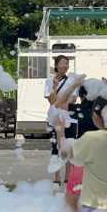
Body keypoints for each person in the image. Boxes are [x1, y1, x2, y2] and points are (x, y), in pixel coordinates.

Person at [64, 80, 102, 212]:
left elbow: (58, 104)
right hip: (99, 159)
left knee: (72, 195)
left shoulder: (76, 109)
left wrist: (73, 85)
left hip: (81, 157)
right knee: (97, 195)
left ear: (82, 96)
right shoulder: (102, 111)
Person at [44, 55, 80, 185]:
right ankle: (56, 176)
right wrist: (55, 87)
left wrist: (61, 102)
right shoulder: (49, 80)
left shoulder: (72, 80)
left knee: (69, 145)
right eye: (63, 63)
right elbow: (51, 100)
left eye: (67, 63)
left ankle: (68, 177)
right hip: (54, 117)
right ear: (56, 65)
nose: (65, 66)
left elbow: (73, 99)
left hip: (70, 117)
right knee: (56, 146)